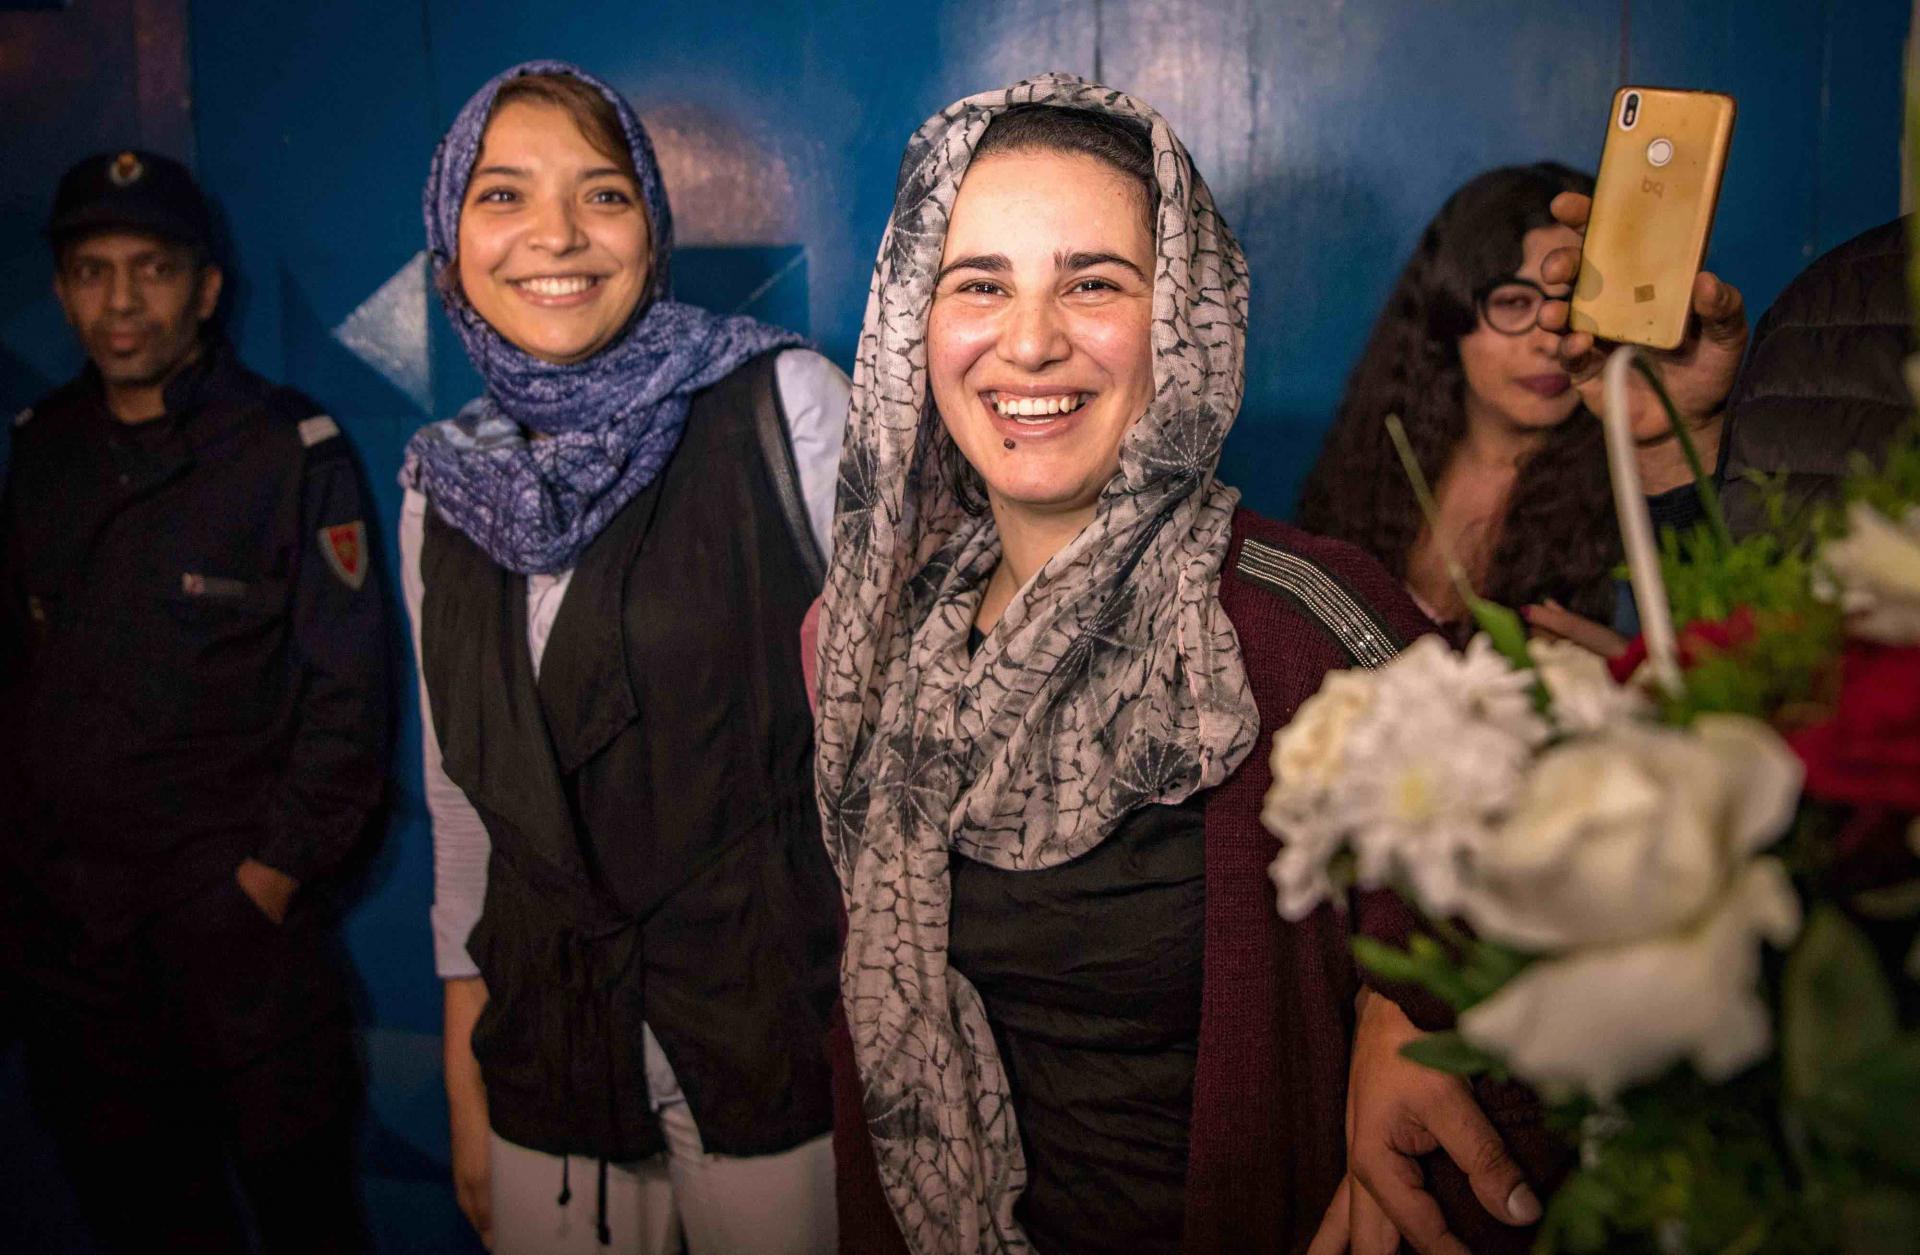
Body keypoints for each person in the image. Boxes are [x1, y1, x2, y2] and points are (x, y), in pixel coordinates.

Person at [812, 76, 1551, 1255]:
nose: (1031, 338)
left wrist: (1409, 1005)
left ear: (1185, 319)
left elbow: (1548, 942)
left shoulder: (1299, 620)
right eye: (980, 283)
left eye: (1093, 282)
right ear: (912, 323)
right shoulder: (872, 650)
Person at [399, 62, 847, 1255]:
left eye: (602, 194)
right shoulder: (439, 490)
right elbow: (463, 804)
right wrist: (466, 1071)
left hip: (770, 1046)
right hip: (548, 1058)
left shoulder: (783, 406)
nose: (555, 235)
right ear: (450, 242)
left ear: (652, 226)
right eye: (502, 196)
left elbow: (904, 746)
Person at [0, 149, 387, 1254]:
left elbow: (345, 704)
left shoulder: (284, 449)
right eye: (90, 270)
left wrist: (259, 885)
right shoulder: (44, 451)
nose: (120, 302)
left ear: (206, 287)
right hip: (81, 971)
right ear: (64, 288)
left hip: (240, 963)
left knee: (308, 1224)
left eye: (152, 269)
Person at [1296, 164, 1619, 639]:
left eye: (1574, 308)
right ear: (1451, 314)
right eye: (1514, 303)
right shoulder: (1371, 472)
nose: (1551, 341)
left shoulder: (1634, 492)